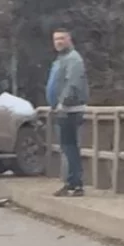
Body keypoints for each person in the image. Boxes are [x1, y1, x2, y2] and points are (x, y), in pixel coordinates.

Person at [46, 27, 90, 197]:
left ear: (69, 39)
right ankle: (71, 183)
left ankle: (75, 184)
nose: (58, 42)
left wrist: (63, 102)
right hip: (62, 109)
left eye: (62, 38)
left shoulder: (73, 59)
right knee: (67, 147)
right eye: (56, 39)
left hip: (70, 109)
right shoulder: (61, 59)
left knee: (70, 147)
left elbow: (73, 83)